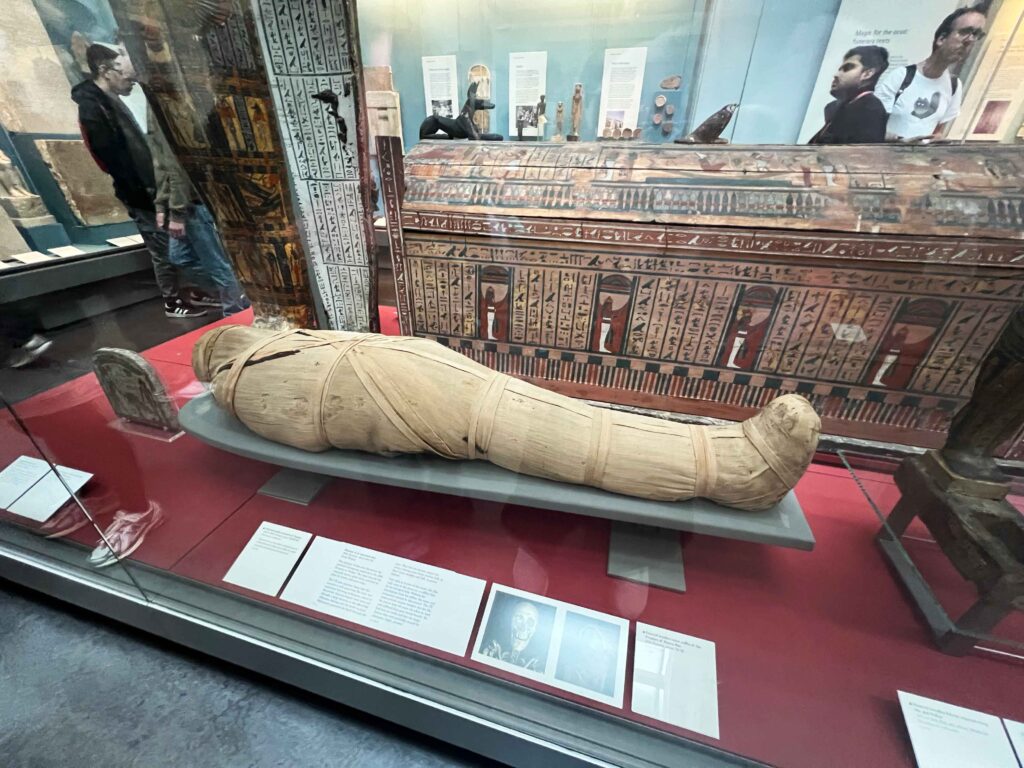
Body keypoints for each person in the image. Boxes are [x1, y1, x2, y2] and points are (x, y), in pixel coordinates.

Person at [72, 44, 205, 319]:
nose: (130, 80)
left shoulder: (108, 102)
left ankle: (189, 291)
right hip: (140, 193)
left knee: (174, 245)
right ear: (105, 70)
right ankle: (172, 300)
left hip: (148, 188)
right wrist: (147, 197)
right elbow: (112, 160)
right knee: (162, 249)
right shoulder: (93, 107)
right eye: (125, 72)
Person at [149, 108, 249, 317]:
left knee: (218, 265)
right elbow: (162, 168)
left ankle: (235, 313)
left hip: (193, 203)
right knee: (179, 258)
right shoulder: (156, 113)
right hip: (181, 203)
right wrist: (161, 205)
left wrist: (176, 212)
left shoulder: (173, 113)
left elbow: (177, 167)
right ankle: (238, 293)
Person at [875, 6, 987, 141]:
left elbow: (938, 131)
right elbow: (870, 128)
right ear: (941, 39)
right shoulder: (902, 76)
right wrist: (900, 140)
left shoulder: (954, 86)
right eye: (965, 32)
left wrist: (937, 141)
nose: (969, 40)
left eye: (976, 35)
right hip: (886, 156)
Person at [809, 46, 889, 144]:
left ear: (867, 74)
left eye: (847, 68)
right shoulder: (840, 108)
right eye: (839, 69)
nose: (836, 75)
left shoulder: (869, 108)